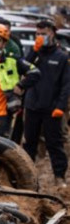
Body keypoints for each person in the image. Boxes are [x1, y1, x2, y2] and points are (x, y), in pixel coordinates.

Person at [23, 19, 69, 188]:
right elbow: (24, 70)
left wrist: (60, 107)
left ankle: (59, 177)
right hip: (32, 105)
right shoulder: (34, 53)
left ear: (52, 33)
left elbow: (66, 85)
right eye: (38, 33)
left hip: (52, 108)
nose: (40, 36)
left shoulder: (62, 56)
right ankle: (26, 177)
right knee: (29, 144)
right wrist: (33, 52)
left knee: (54, 144)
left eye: (44, 33)